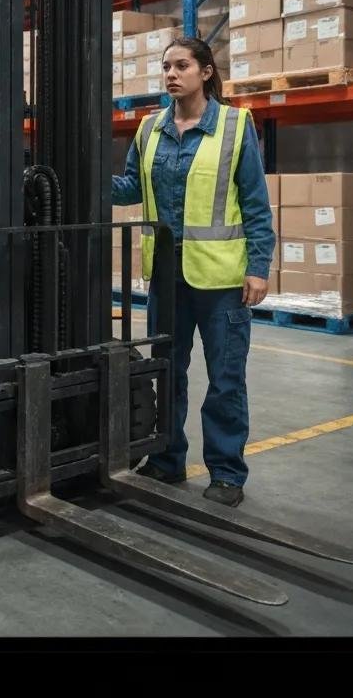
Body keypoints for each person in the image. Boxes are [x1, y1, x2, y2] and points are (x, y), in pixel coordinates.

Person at [112, 36, 275, 507]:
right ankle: (167, 458)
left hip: (221, 279)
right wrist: (80, 176)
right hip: (166, 274)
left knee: (225, 378)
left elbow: (255, 204)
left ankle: (226, 471)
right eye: (166, 67)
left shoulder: (233, 125)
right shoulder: (149, 129)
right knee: (170, 372)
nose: (171, 74)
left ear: (205, 72)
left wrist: (258, 268)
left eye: (181, 65)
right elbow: (130, 186)